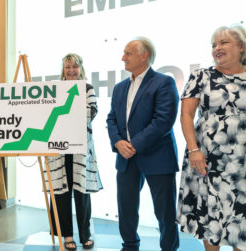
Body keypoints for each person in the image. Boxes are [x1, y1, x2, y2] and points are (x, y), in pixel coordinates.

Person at [176, 25, 246, 251]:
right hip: (208, 162)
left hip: (242, 165)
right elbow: (186, 115)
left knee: (241, 221)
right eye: (214, 44)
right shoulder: (201, 76)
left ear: (241, 47)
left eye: (224, 43)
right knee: (210, 218)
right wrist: (193, 150)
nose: (217, 48)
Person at [106, 37, 180, 251]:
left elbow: (163, 121)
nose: (123, 58)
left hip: (157, 156)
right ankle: (129, 245)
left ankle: (168, 248)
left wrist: (133, 145)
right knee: (126, 208)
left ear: (144, 55)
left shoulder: (164, 82)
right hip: (126, 158)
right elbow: (112, 119)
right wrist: (118, 142)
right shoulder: (120, 88)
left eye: (128, 53)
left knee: (164, 212)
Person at [44, 53, 102, 250]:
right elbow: (45, 114)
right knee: (60, 193)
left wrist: (61, 116)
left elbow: (91, 112)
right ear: (63, 69)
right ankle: (66, 235)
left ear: (80, 68)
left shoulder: (87, 88)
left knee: (81, 193)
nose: (71, 70)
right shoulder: (54, 89)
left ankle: (85, 234)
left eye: (74, 67)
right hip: (58, 149)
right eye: (68, 67)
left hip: (80, 149)